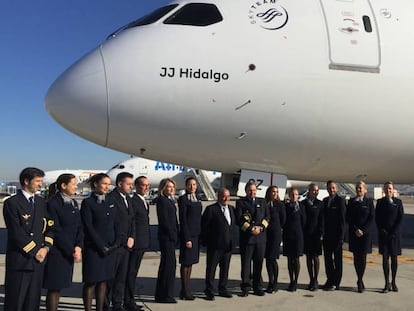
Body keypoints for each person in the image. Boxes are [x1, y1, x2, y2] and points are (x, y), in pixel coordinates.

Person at [3, 167, 54, 311]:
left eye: (41, 181)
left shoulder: (41, 202)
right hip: (21, 261)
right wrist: (35, 251)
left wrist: (46, 248)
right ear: (26, 181)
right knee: (16, 302)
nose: (40, 184)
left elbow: (50, 227)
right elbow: (16, 232)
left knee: (33, 303)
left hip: (38, 262)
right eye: (37, 181)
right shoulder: (12, 203)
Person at [43, 174, 83, 311]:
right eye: (73, 184)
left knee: (59, 287)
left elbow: (79, 227)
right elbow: (56, 230)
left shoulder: (73, 203)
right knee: (54, 288)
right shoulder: (52, 204)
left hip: (70, 250)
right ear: (63, 186)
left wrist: (78, 246)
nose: (76, 186)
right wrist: (71, 250)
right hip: (58, 252)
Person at [81, 173, 121, 311]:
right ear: (96, 184)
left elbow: (117, 223)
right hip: (94, 249)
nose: (106, 187)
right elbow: (88, 227)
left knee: (104, 281)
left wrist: (116, 243)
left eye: (108, 184)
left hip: (110, 248)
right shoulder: (88, 203)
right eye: (104, 183)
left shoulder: (111, 201)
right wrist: (100, 246)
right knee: (91, 282)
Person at [106, 172, 136, 311]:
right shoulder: (111, 199)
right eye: (128, 184)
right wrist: (124, 239)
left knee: (121, 277)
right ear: (119, 184)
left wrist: (132, 237)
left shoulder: (128, 199)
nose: (131, 186)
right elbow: (112, 224)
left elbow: (132, 221)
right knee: (110, 278)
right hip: (116, 244)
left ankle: (117, 304)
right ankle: (105, 304)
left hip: (127, 246)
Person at [235, 181, 269, 297]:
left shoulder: (262, 202)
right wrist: (250, 229)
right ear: (246, 191)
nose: (252, 192)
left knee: (258, 263)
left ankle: (257, 287)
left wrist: (261, 228)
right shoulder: (240, 203)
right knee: (246, 264)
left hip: (260, 239)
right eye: (250, 190)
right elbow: (239, 220)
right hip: (247, 239)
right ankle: (245, 287)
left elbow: (267, 217)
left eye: (254, 190)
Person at [201, 188, 235, 300]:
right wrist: (206, 242)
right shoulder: (211, 209)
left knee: (225, 269)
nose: (226, 198)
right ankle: (209, 290)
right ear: (219, 196)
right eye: (223, 196)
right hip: (215, 246)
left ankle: (222, 288)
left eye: (228, 196)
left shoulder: (231, 209)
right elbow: (204, 227)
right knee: (211, 269)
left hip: (228, 245)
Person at [124, 176, 151, 311]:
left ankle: (129, 299)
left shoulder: (143, 200)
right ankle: (128, 301)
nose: (146, 188)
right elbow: (132, 222)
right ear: (136, 186)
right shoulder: (133, 200)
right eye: (143, 185)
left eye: (147, 185)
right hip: (136, 242)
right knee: (130, 272)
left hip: (142, 242)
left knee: (133, 272)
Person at [375, 181, 404, 293]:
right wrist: (382, 230)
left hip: (394, 236)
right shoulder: (380, 202)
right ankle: (386, 282)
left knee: (394, 259)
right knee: (385, 259)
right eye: (386, 188)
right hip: (384, 235)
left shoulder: (398, 202)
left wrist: (394, 232)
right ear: (384, 190)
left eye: (390, 188)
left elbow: (400, 218)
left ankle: (394, 281)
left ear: (393, 190)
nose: (388, 190)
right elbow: (377, 218)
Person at [346, 181, 374, 293]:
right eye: (357, 188)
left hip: (365, 235)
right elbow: (348, 218)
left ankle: (360, 279)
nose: (358, 190)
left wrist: (363, 230)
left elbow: (371, 218)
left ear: (365, 190)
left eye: (360, 188)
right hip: (354, 234)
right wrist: (356, 229)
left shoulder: (369, 202)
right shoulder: (351, 202)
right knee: (356, 258)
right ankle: (359, 279)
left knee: (363, 258)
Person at [155, 178, 179, 303]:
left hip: (170, 237)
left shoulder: (169, 201)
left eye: (172, 187)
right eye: (168, 187)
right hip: (167, 238)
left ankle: (162, 294)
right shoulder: (163, 201)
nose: (171, 189)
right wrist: (173, 235)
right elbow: (165, 221)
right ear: (163, 188)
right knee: (168, 267)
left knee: (168, 266)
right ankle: (165, 295)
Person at [178, 177, 202, 300]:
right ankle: (185, 289)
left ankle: (186, 289)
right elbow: (183, 220)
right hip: (188, 236)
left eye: (194, 184)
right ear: (186, 186)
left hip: (196, 235)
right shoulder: (183, 199)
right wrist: (187, 238)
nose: (192, 187)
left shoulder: (198, 199)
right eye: (190, 185)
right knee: (185, 263)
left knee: (191, 263)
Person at [322, 180, 346, 291]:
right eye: (329, 188)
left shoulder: (340, 201)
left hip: (337, 237)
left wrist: (341, 237)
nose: (331, 190)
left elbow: (342, 221)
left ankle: (336, 282)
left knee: (337, 260)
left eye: (333, 188)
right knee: (328, 260)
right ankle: (330, 280)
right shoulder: (325, 201)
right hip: (327, 236)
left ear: (336, 189)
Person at [283, 187, 306, 292]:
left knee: (296, 259)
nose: (294, 196)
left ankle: (295, 281)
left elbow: (304, 221)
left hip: (298, 236)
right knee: (289, 259)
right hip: (288, 236)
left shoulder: (301, 206)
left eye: (296, 194)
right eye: (292, 194)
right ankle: (291, 279)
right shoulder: (286, 206)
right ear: (289, 195)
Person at [264, 186, 286, 293]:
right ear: (269, 192)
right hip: (265, 235)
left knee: (273, 259)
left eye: (276, 192)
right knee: (267, 259)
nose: (275, 194)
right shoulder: (265, 204)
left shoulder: (280, 205)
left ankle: (275, 283)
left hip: (275, 234)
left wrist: (277, 228)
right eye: (273, 192)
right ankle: (270, 281)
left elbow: (283, 219)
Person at [302, 183, 324, 291]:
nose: (315, 192)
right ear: (309, 190)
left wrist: (321, 233)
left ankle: (315, 280)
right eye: (313, 190)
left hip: (316, 235)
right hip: (306, 235)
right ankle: (311, 279)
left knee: (316, 258)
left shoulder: (320, 204)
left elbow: (322, 220)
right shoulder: (303, 203)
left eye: (317, 190)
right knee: (308, 258)